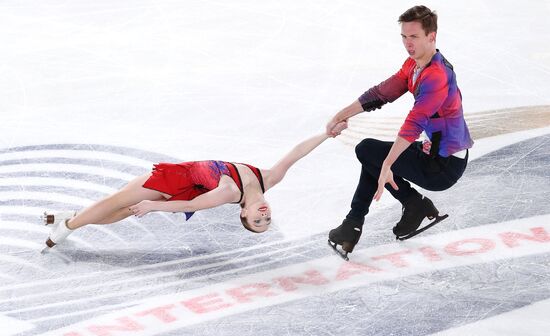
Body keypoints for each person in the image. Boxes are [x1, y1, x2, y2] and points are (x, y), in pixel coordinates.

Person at [43, 122, 347, 248]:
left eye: (258, 221)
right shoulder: (268, 179)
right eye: (267, 219)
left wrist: (154, 205)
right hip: (184, 176)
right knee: (121, 208)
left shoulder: (229, 192)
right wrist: (327, 134)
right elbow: (296, 153)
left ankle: (67, 225)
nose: (264, 215)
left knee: (118, 202)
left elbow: (189, 205)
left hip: (176, 183)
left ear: (243, 215)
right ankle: (75, 217)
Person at [325, 5, 473, 260]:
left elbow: (413, 124)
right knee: (373, 156)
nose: (408, 43)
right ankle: (364, 221)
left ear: (431, 36)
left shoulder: (436, 76)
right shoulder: (414, 65)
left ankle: (364, 220)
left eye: (414, 37)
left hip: (444, 166)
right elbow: (383, 92)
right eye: (404, 37)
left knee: (370, 152)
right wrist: (343, 114)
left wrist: (388, 165)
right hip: (431, 152)